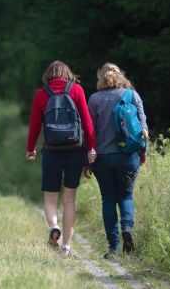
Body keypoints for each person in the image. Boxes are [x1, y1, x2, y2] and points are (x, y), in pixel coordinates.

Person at [26, 60, 97, 255]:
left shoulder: (42, 93)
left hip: (51, 151)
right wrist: (91, 147)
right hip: (75, 150)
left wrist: (31, 148)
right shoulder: (76, 90)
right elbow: (87, 123)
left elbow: (34, 125)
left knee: (50, 196)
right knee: (69, 199)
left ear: (48, 75)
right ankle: (65, 246)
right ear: (67, 74)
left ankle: (53, 227)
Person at [84, 63, 149, 257]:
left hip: (102, 158)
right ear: (121, 77)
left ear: (101, 78)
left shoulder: (94, 99)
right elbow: (143, 128)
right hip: (128, 156)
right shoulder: (133, 96)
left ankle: (113, 247)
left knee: (108, 200)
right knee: (126, 196)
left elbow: (89, 132)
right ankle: (127, 229)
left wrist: (86, 161)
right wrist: (143, 152)